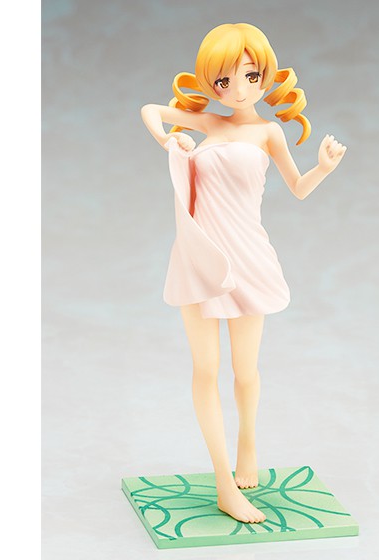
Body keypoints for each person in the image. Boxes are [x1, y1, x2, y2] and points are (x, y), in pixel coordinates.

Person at [141, 23, 347, 524]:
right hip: (199, 258)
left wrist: (323, 167)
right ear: (211, 84)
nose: (237, 89)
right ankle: (222, 483)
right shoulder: (208, 123)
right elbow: (150, 109)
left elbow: (297, 187)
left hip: (249, 258)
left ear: (265, 76)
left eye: (250, 76)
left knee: (246, 370)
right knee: (205, 370)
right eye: (223, 80)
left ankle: (248, 445)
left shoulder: (268, 132)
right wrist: (168, 138)